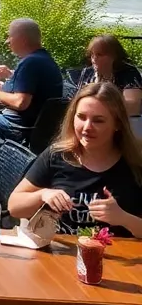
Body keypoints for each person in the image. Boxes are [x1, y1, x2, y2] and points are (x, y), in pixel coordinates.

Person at [9, 82, 142, 236]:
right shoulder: (57, 155)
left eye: (98, 120)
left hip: (115, 257)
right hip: (60, 255)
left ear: (117, 124)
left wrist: (123, 218)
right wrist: (42, 195)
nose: (87, 127)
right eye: (81, 117)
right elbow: (14, 207)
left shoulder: (134, 164)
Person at [0, 17, 64, 143]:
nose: (7, 41)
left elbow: (20, 102)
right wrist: (10, 75)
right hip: (39, 128)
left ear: (23, 40)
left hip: (20, 127)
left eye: (10, 36)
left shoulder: (30, 63)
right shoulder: (42, 58)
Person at [76, 34, 142, 117]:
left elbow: (133, 106)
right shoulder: (88, 72)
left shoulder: (128, 72)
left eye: (99, 55)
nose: (94, 59)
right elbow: (77, 101)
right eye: (92, 54)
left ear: (114, 56)